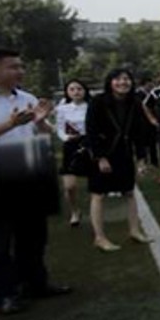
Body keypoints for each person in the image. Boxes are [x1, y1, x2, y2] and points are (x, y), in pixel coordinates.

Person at [0, 48, 69, 315]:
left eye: (21, 66)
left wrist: (40, 122)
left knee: (33, 234)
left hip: (28, 169)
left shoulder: (26, 97)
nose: (20, 71)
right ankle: (5, 293)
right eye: (12, 67)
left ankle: (36, 283)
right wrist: (9, 124)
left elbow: (43, 133)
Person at [84, 68, 153, 252]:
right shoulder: (98, 102)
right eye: (118, 79)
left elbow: (139, 133)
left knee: (129, 192)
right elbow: (90, 131)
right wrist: (100, 157)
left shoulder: (135, 102)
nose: (123, 82)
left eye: (127, 79)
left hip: (124, 153)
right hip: (103, 153)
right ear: (110, 82)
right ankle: (99, 237)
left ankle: (134, 230)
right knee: (99, 195)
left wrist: (141, 159)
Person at [52, 79, 92, 227]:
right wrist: (66, 138)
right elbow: (60, 128)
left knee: (95, 183)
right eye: (72, 89)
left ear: (85, 90)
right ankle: (75, 211)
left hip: (89, 145)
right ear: (67, 92)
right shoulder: (63, 109)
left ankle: (95, 211)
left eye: (79, 88)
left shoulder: (91, 107)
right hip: (70, 146)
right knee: (69, 186)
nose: (76, 92)